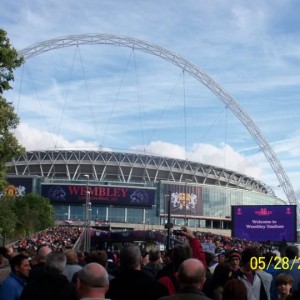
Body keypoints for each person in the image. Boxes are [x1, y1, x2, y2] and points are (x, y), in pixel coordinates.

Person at [159, 227, 207, 295]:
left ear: (171, 258)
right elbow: (200, 259)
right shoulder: (196, 275)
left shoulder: (163, 281)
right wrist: (192, 238)